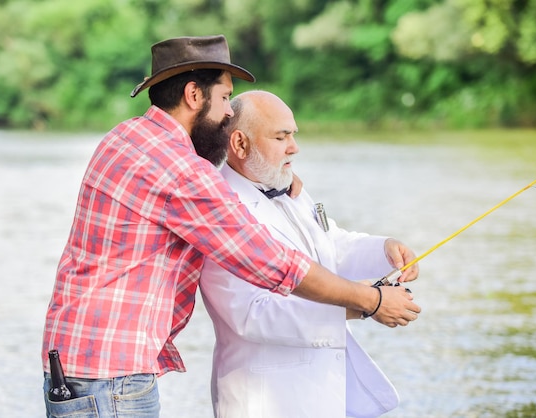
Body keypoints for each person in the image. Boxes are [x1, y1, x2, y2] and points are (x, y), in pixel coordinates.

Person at [41, 35, 420, 417]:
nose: (227, 113)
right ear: (194, 95)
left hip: (80, 365)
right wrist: (369, 301)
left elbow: (320, 243)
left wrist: (370, 246)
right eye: (224, 97)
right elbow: (273, 262)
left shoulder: (124, 138)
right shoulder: (181, 171)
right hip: (110, 376)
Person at [199, 90, 416, 418]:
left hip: (322, 394)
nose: (294, 147)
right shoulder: (222, 212)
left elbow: (330, 248)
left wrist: (384, 250)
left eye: (293, 135)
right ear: (240, 144)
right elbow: (253, 315)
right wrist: (366, 306)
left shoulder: (287, 185)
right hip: (265, 401)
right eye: (281, 136)